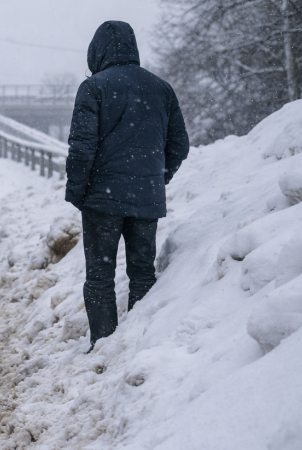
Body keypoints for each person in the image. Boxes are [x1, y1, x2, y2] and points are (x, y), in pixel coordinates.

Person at [65, 21, 190, 352]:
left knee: (100, 279)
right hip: (145, 199)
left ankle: (103, 346)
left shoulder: (94, 88)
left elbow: (81, 147)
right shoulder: (161, 88)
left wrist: (77, 190)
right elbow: (180, 145)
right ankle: (138, 348)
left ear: (97, 51)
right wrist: (156, 179)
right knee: (143, 273)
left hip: (102, 200)